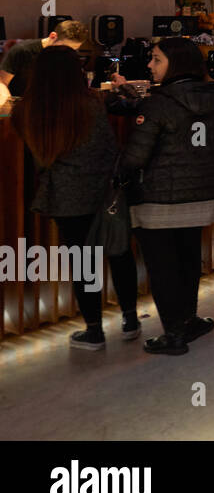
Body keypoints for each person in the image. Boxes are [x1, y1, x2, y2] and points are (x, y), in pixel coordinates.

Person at [13, 46, 139, 350]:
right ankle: (130, 320)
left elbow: (37, 158)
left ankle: (93, 330)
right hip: (102, 192)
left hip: (64, 195)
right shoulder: (92, 104)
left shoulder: (26, 110)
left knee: (84, 262)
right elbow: (108, 148)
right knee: (119, 251)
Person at [117, 37, 214, 355]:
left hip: (159, 199)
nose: (149, 65)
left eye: (156, 59)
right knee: (188, 260)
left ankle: (174, 335)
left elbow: (135, 157)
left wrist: (117, 175)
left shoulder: (158, 103)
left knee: (163, 267)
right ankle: (189, 320)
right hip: (202, 194)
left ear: (174, 64)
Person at [0, 19, 91, 109]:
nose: (67, 53)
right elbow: (2, 83)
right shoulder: (22, 50)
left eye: (73, 49)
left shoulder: (69, 56)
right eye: (64, 47)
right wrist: (7, 107)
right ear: (52, 36)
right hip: (22, 108)